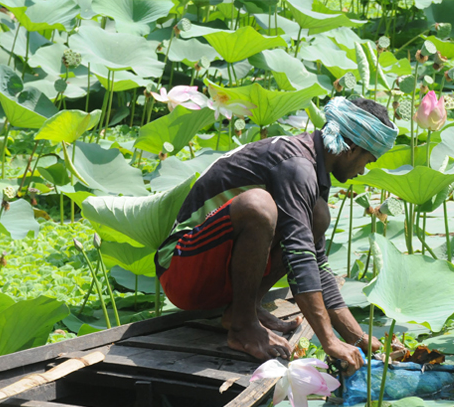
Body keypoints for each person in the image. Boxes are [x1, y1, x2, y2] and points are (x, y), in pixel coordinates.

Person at [154, 97, 399, 375]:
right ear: (352, 148)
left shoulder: (313, 166)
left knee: (319, 214)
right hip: (181, 272)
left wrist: (357, 338)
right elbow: (299, 258)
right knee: (258, 206)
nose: (364, 170)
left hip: (213, 274)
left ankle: (242, 310)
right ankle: (243, 326)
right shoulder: (297, 166)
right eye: (368, 159)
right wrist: (329, 341)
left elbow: (315, 261)